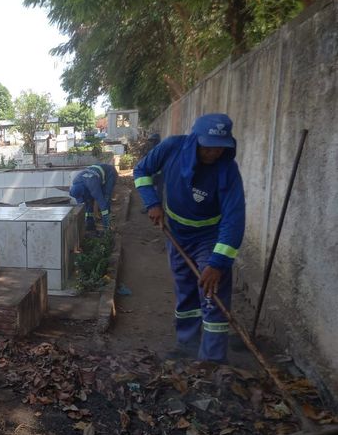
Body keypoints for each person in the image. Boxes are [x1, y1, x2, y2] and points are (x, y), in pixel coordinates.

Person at [133, 113, 245, 363]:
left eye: (220, 147)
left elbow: (234, 219)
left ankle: (212, 361)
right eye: (208, 146)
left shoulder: (227, 171)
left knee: (211, 294)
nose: (214, 152)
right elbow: (142, 170)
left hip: (209, 238)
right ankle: (187, 346)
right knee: (185, 290)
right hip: (177, 234)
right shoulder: (172, 147)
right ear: (195, 139)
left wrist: (217, 263)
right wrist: (152, 203)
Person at [69, 163, 118, 231]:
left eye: (82, 196)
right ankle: (90, 225)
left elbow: (102, 203)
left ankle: (107, 226)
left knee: (105, 198)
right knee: (88, 201)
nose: (81, 199)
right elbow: (84, 203)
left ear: (84, 191)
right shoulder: (76, 182)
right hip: (96, 175)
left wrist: (106, 224)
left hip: (110, 173)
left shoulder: (93, 185)